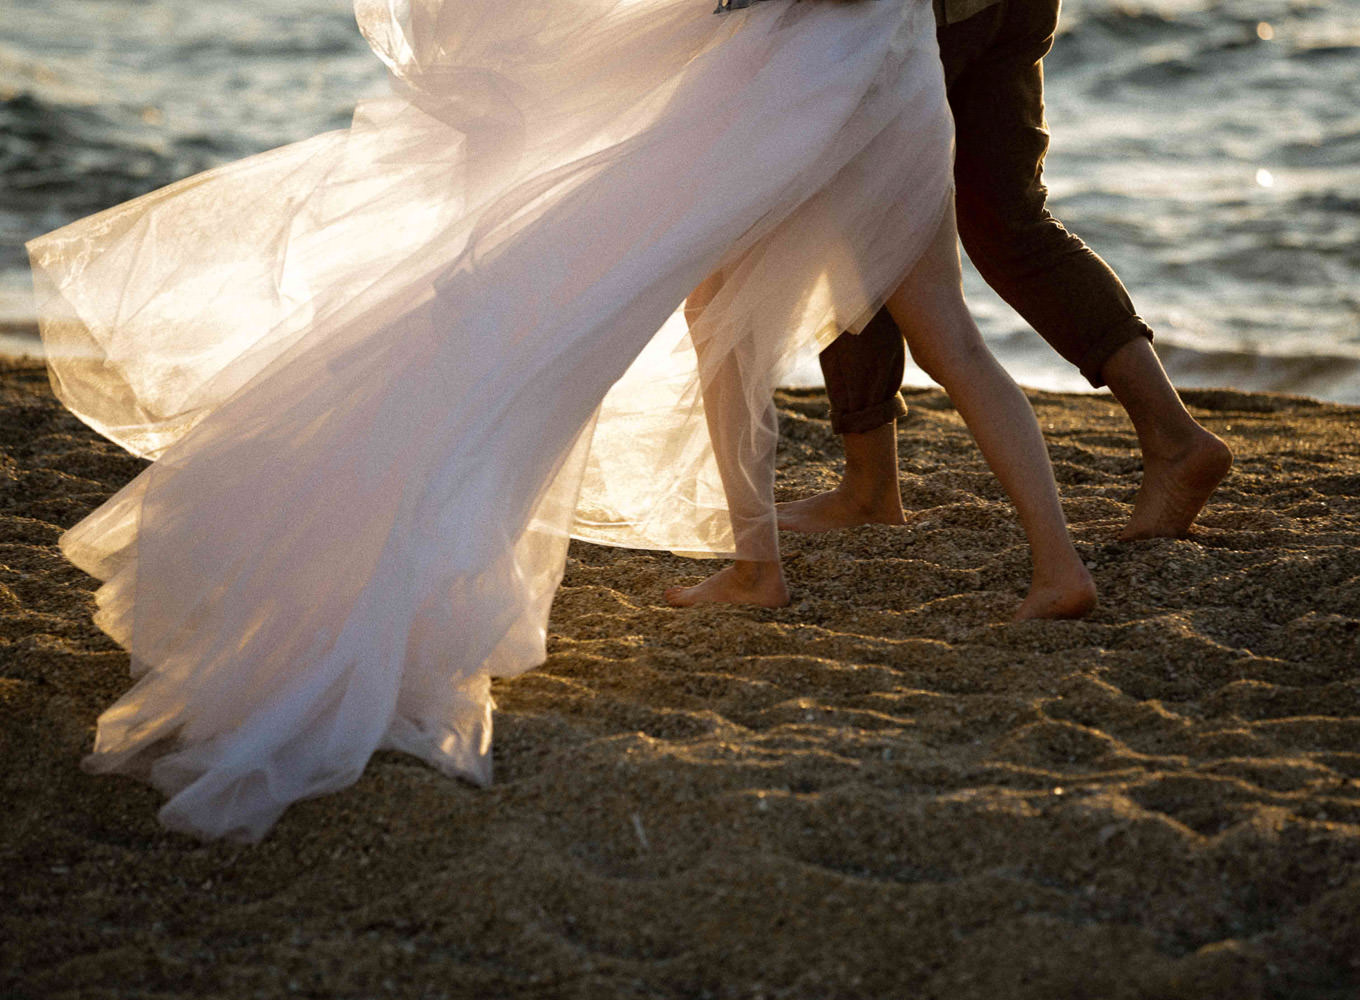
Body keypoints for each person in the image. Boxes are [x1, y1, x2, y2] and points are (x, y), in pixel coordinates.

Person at [27, 0, 1089, 841]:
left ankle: (760, 564)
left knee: (689, 301)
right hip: (896, 68)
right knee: (946, 334)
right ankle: (1054, 566)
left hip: (808, 70)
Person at [777, 0, 1232, 540]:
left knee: (849, 227)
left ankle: (870, 486)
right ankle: (1174, 435)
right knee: (1011, 224)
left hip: (914, 15)